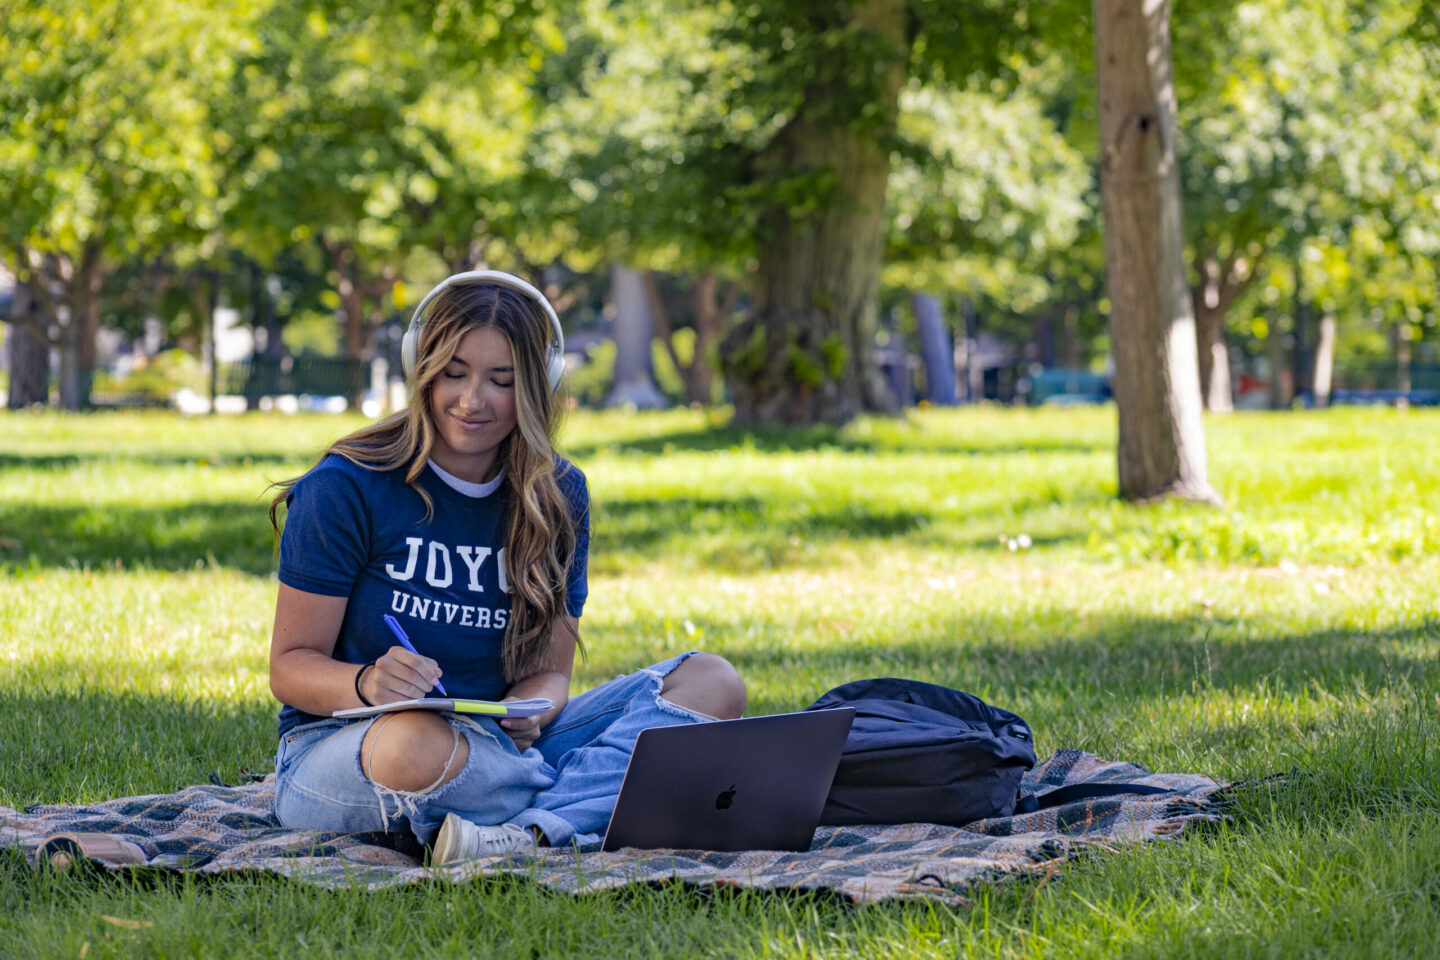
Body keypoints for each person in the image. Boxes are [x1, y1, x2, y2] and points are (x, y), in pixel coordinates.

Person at [266, 270, 746, 862]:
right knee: (415, 745)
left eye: (502, 380)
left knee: (712, 682)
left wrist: (536, 707)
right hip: (354, 743)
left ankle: (527, 830)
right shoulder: (347, 486)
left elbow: (550, 674)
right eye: (454, 372)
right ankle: (592, 803)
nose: (473, 400)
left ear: (539, 386)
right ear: (423, 367)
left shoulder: (559, 493)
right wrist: (367, 683)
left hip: (504, 747)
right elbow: (290, 669)